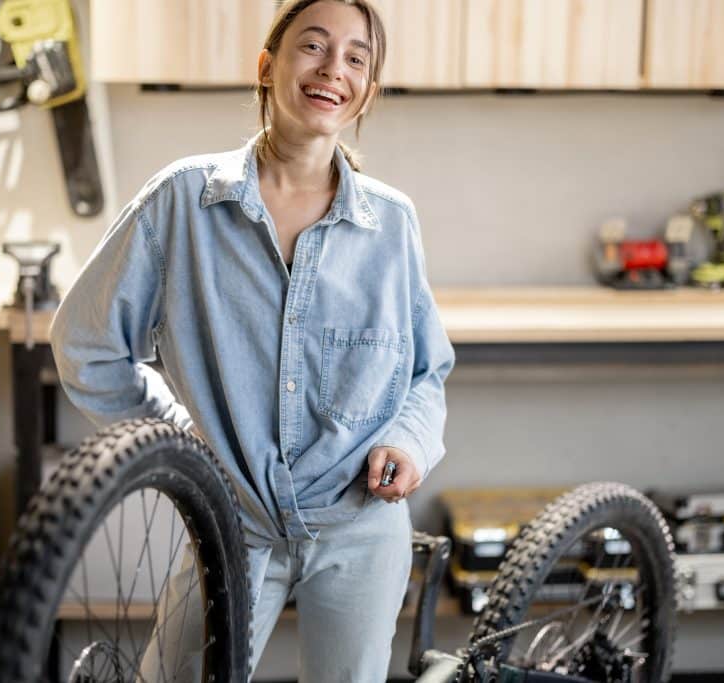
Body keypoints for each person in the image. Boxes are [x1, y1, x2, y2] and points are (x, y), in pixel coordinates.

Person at [49, 0, 455, 679]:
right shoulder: (183, 201)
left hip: (360, 523)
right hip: (232, 525)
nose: (334, 69)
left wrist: (408, 441)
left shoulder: (392, 222)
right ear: (267, 67)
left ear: (368, 93)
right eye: (314, 46)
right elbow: (87, 341)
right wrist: (177, 441)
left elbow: (427, 372)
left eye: (356, 58)